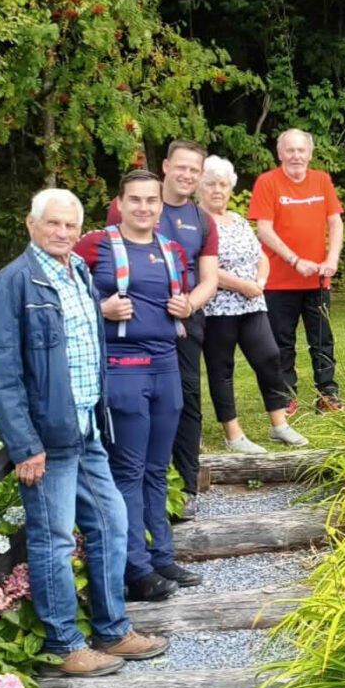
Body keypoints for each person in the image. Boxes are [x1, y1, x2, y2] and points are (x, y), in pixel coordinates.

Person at [0, 188, 168, 677]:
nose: (62, 233)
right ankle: (64, 643)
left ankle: (112, 630)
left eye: (70, 226)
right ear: (31, 224)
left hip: (87, 426)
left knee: (111, 524)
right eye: (53, 224)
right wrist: (25, 444)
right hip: (47, 439)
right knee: (54, 540)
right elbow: (3, 372)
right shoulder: (14, 284)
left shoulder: (79, 272)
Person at [76, 171, 203, 601]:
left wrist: (184, 306)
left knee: (157, 467)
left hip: (166, 365)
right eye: (135, 200)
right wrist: (100, 307)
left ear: (160, 206)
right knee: (127, 470)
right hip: (124, 366)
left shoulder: (171, 249)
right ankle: (135, 567)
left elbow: (180, 299)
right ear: (120, 202)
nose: (144, 208)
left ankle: (162, 557)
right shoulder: (96, 245)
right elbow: (64, 295)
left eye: (151, 200)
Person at [106, 140, 219, 514]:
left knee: (186, 400)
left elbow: (209, 279)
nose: (187, 175)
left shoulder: (202, 220)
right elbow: (106, 259)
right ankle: (132, 486)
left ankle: (185, 487)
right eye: (181, 167)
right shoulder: (132, 205)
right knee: (133, 405)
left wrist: (190, 303)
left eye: (195, 170)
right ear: (167, 167)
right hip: (132, 329)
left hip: (183, 320)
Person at [196, 156, 309, 452]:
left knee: (270, 358)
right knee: (222, 369)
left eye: (223, 184)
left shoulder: (239, 220)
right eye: (210, 184)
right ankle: (233, 435)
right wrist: (242, 286)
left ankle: (279, 425)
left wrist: (258, 282)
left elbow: (260, 256)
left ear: (230, 188)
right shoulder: (196, 223)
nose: (217, 190)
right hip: (217, 308)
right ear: (200, 187)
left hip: (252, 304)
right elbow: (201, 266)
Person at [249, 128, 345, 413]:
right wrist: (294, 260)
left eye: (301, 150)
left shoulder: (321, 180)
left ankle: (327, 394)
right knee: (282, 343)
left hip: (317, 280)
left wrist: (333, 258)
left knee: (322, 341)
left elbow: (335, 223)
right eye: (289, 150)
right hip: (278, 281)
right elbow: (263, 230)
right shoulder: (267, 182)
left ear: (310, 154)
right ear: (280, 154)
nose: (296, 156)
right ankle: (286, 396)